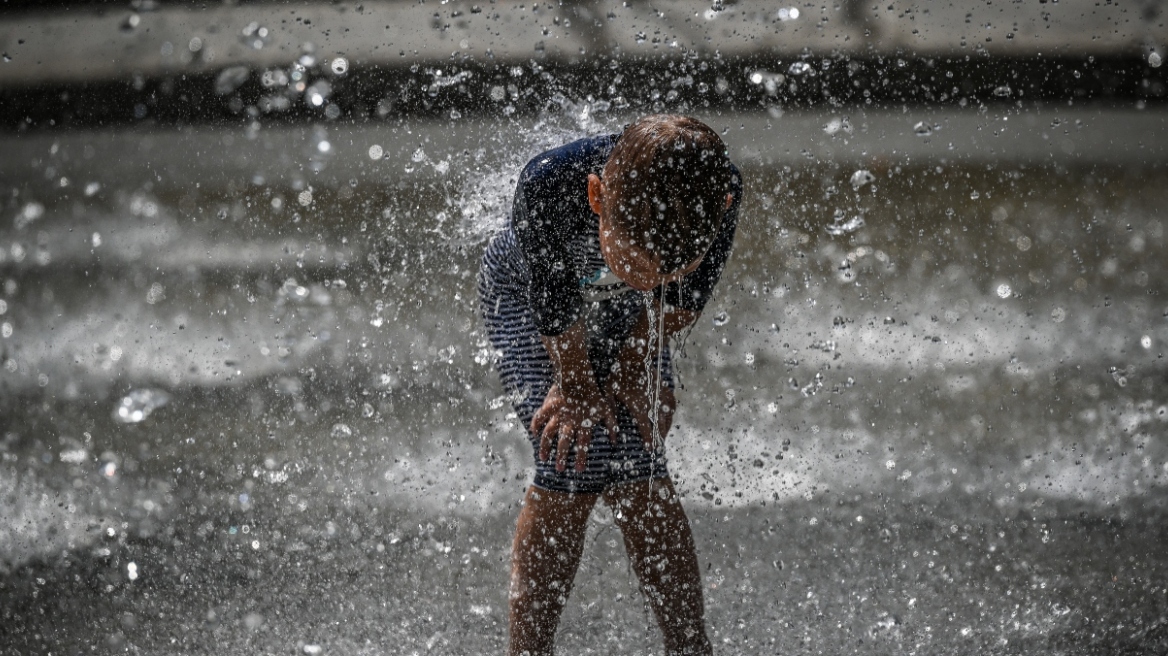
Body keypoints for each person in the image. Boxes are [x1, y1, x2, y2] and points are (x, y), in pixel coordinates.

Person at [478, 114, 741, 656]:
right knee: (572, 455)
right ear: (596, 196)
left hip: (630, 316)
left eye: (669, 268)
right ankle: (528, 651)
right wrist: (574, 387)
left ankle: (690, 647)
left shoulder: (716, 193)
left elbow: (676, 304)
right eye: (635, 262)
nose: (648, 277)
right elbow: (554, 309)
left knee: (635, 456)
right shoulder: (551, 182)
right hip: (534, 296)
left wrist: (634, 364)